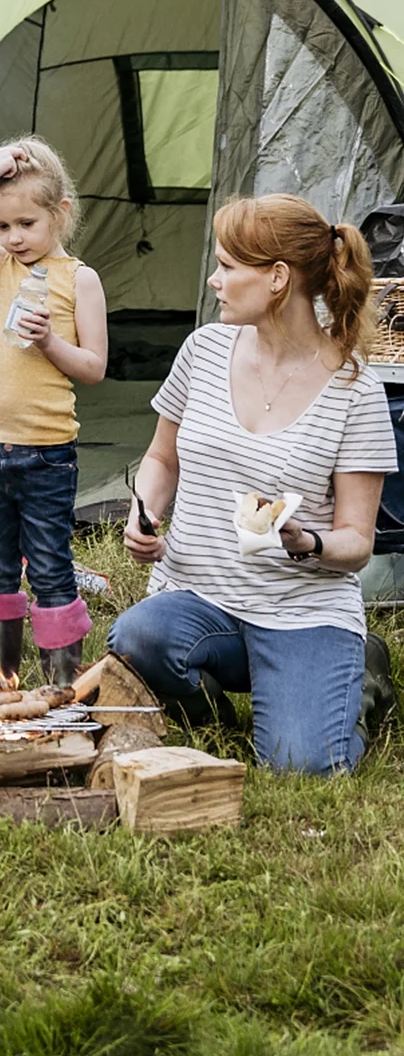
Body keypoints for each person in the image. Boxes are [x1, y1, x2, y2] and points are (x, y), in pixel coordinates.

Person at [111, 194, 397, 776]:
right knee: (137, 638)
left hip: (302, 609)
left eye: (227, 266)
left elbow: (356, 542)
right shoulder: (204, 350)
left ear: (277, 278)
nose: (214, 280)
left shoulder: (355, 390)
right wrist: (145, 510)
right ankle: (214, 717)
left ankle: (360, 681)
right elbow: (162, 459)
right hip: (200, 597)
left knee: (303, 766)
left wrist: (307, 542)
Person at [0, 137, 109, 685]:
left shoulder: (79, 279)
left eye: (27, 224)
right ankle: (1, 683)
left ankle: (63, 687)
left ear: (59, 214)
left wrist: (50, 344)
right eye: (4, 226)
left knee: (50, 567)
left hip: (45, 454)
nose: (14, 238)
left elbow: (93, 367)